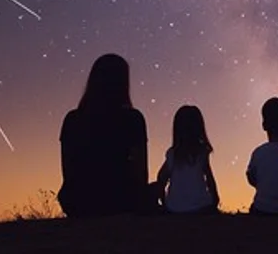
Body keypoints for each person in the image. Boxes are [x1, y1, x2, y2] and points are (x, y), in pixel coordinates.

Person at [57, 53, 150, 217]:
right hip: (121, 199)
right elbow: (140, 169)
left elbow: (68, 168)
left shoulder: (72, 119)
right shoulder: (133, 119)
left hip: (79, 201)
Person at [154, 105, 220, 214]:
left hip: (175, 207)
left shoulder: (172, 154)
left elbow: (161, 178)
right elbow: (209, 179)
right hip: (201, 206)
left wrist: (164, 203)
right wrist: (215, 199)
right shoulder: (202, 153)